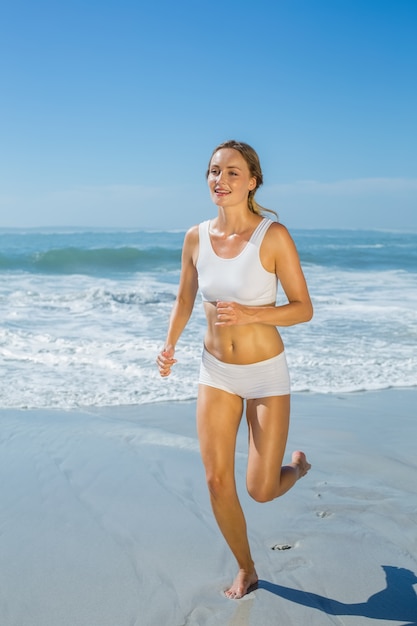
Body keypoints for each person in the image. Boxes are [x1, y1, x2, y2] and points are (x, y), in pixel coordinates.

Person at [156, 140, 313, 599]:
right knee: (216, 479)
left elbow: (303, 309)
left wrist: (252, 315)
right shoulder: (196, 237)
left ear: (252, 181)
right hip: (216, 372)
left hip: (265, 373)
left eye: (231, 173)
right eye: (213, 172)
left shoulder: (273, 236)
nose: (219, 181)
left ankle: (298, 469)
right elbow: (186, 299)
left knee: (261, 490)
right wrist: (168, 347)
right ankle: (247, 568)